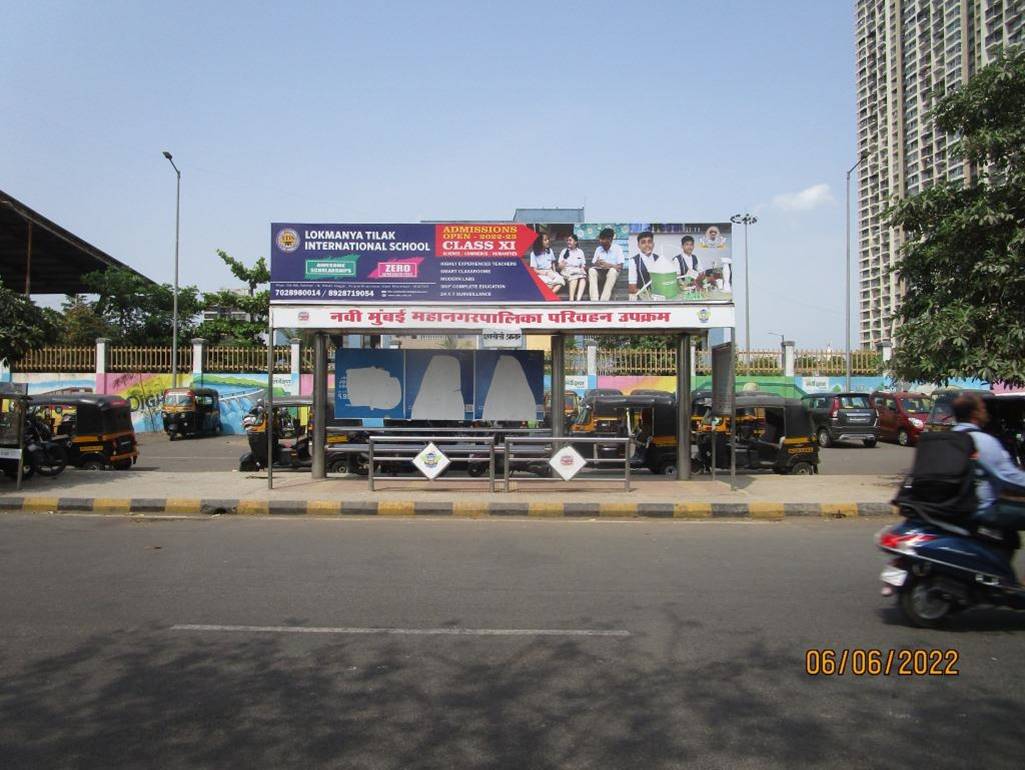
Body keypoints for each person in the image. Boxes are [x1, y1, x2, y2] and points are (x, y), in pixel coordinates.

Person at [951, 394, 1025, 529]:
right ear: (975, 414)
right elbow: (1009, 476)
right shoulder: (984, 441)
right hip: (980, 511)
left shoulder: (947, 437)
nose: (986, 412)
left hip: (949, 507)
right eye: (983, 409)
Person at [627, 230, 675, 300]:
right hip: (642, 299)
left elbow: (665, 280)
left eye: (649, 242)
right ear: (638, 245)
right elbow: (632, 288)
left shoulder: (659, 259)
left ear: (653, 244)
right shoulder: (633, 261)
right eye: (643, 242)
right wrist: (649, 295)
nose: (647, 245)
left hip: (660, 298)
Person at [588, 227, 624, 301]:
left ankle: (603, 301)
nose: (600, 241)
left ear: (610, 239)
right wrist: (597, 263)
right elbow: (594, 264)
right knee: (591, 270)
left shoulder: (618, 248)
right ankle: (594, 300)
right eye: (600, 239)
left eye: (603, 239)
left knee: (612, 271)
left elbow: (620, 267)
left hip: (612, 274)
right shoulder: (598, 249)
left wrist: (609, 265)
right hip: (600, 272)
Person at [558, 233, 588, 301]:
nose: (568, 242)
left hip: (577, 270)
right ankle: (571, 300)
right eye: (567, 240)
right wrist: (562, 264)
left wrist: (582, 269)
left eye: (570, 240)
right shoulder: (564, 251)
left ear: (575, 242)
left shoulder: (580, 252)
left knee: (583, 279)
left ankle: (578, 300)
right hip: (566, 271)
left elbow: (583, 264)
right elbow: (559, 266)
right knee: (574, 277)